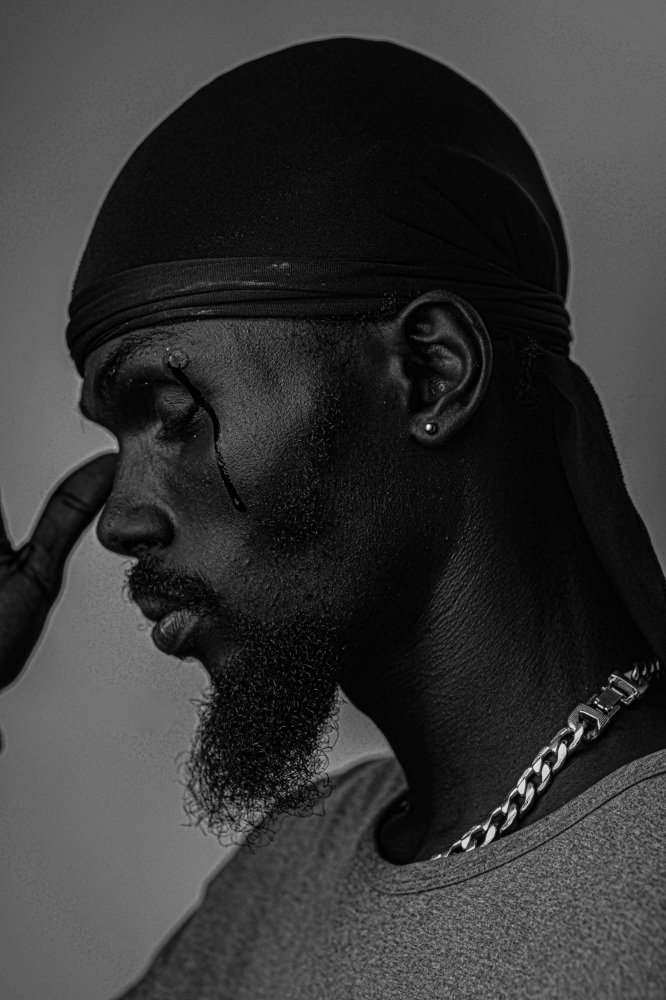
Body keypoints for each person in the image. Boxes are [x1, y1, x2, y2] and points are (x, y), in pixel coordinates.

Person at [2, 37, 665, 999]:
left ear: (430, 372)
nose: (119, 520)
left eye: (176, 414)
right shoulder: (298, 865)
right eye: (120, 437)